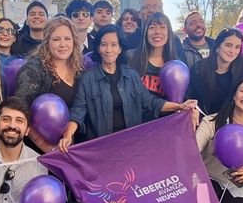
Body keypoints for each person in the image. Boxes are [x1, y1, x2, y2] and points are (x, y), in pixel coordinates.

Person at [14, 16, 82, 203]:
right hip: (38, 147)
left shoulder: (78, 68)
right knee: (46, 195)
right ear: (47, 42)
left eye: (67, 38)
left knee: (61, 193)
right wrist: (44, 147)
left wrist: (69, 135)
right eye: (56, 39)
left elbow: (78, 107)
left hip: (65, 144)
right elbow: (20, 114)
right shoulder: (35, 69)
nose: (62, 44)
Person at [59, 25, 194, 147]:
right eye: (104, 45)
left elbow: (151, 102)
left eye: (114, 45)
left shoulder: (131, 76)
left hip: (132, 146)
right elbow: (78, 112)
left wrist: (180, 106)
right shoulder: (87, 78)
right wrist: (68, 135)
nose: (108, 50)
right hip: (101, 147)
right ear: (98, 49)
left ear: (120, 48)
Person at [128, 12, 187, 122]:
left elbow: (182, 99)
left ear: (169, 33)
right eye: (152, 27)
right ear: (145, 32)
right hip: (135, 125)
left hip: (165, 126)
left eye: (162, 27)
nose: (157, 32)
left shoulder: (177, 65)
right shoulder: (130, 58)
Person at [189, 28, 243, 115]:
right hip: (203, 119)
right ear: (217, 46)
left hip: (233, 120)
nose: (232, 51)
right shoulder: (199, 68)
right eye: (228, 45)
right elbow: (190, 97)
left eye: (237, 47)